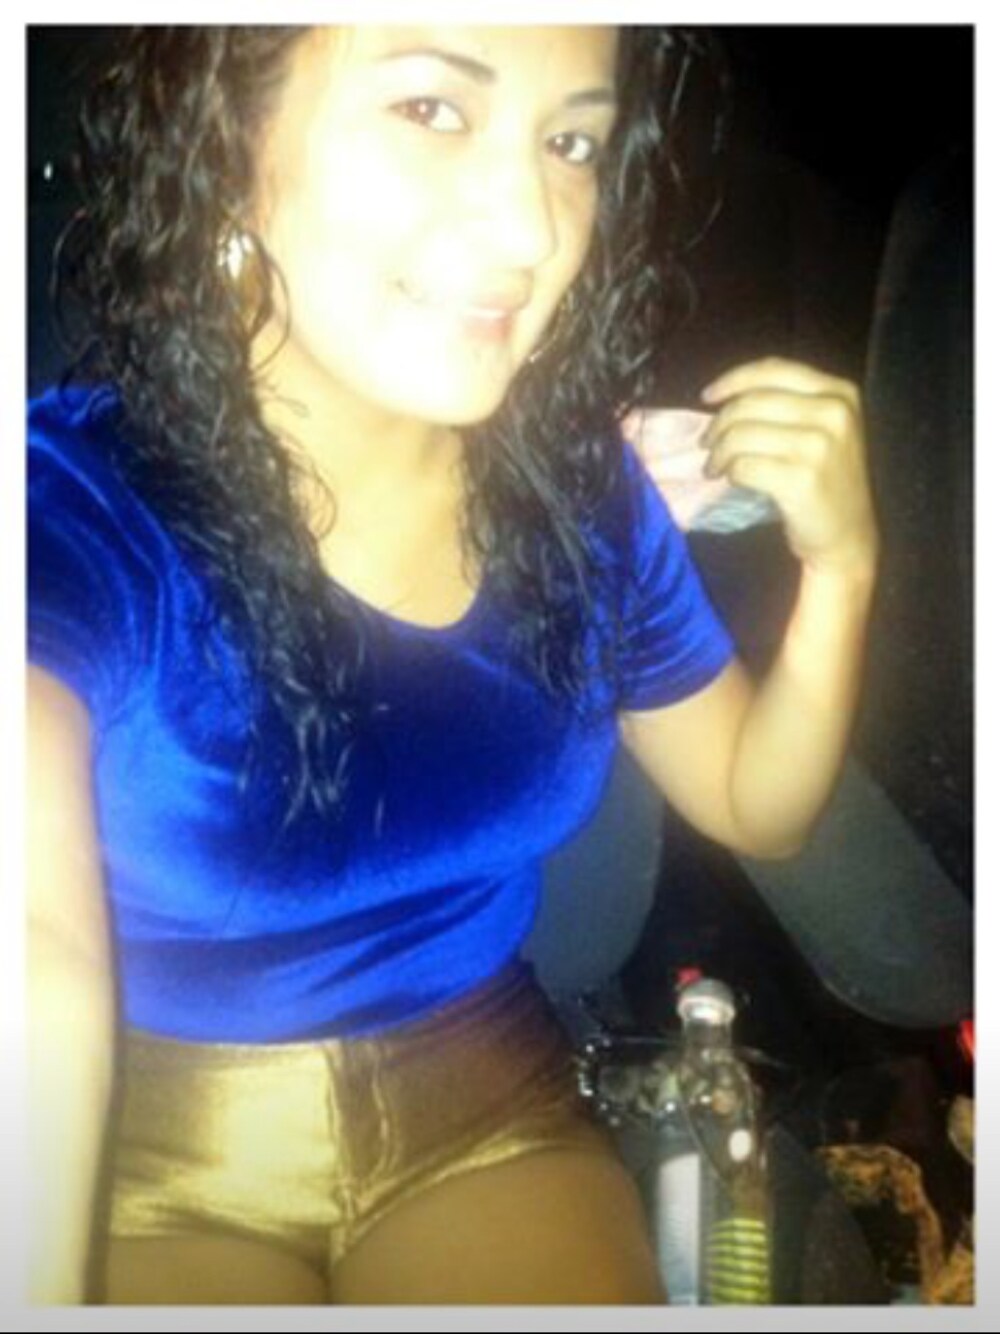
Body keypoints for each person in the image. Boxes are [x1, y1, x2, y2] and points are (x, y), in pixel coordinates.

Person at [27, 25, 879, 1305]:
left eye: (571, 140)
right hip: (141, 1149)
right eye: (430, 109)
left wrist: (844, 564)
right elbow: (33, 954)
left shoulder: (579, 499)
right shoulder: (65, 504)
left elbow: (759, 800)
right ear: (229, 142)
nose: (531, 226)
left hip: (485, 1104)